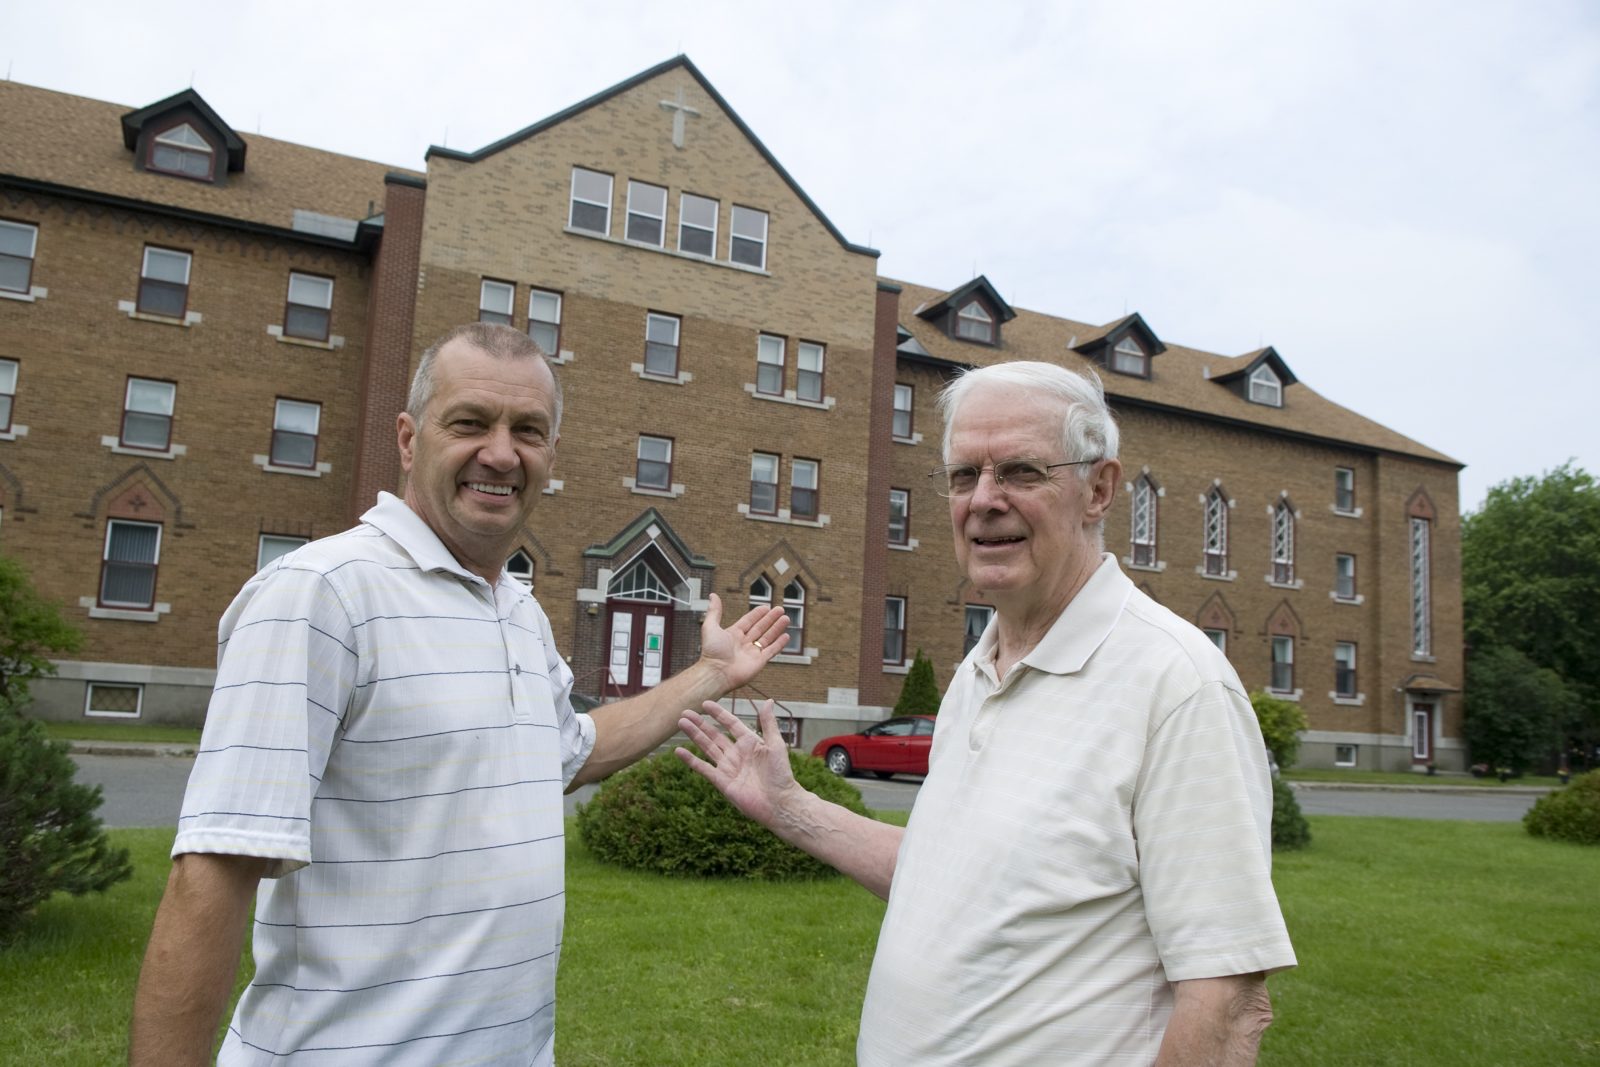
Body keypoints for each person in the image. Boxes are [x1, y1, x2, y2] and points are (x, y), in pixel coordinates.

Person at [129, 323, 789, 1066]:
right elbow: (213, 870)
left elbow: (571, 752)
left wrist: (710, 675)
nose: (501, 453)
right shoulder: (322, 595)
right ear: (409, 440)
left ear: (551, 455)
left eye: (528, 430)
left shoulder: (516, 609)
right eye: (471, 422)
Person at [680, 360, 1296, 1065]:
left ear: (1099, 489)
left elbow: (1227, 996)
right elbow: (955, 876)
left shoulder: (1177, 685)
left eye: (1022, 472)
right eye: (965, 474)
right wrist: (790, 807)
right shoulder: (979, 671)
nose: (984, 500)